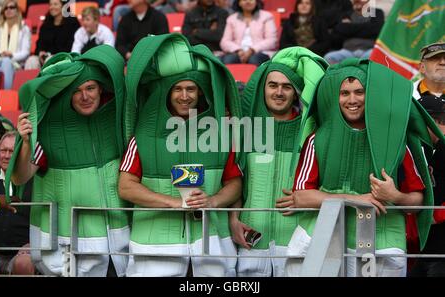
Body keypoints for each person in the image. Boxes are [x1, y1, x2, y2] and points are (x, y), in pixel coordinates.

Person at [288, 58, 441, 277]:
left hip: (383, 239)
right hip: (328, 239)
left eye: (359, 92)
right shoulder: (317, 140)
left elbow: (417, 202)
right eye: (345, 93)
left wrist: (395, 195)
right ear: (335, 97)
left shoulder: (395, 139)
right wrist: (356, 200)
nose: (352, 99)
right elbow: (301, 196)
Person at [119, 33, 243, 277]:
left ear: (200, 93)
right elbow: (125, 187)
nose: (184, 96)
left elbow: (235, 182)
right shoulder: (141, 137)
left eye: (191, 89)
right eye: (177, 89)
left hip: (211, 246)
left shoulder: (219, 135)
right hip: (156, 247)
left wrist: (213, 201)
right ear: (167, 92)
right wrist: (174, 203)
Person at [7, 45, 130, 277]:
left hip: (119, 246)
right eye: (77, 90)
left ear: (100, 89)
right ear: (66, 95)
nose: (85, 96)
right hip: (71, 252)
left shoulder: (118, 122)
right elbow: (20, 176)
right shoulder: (47, 131)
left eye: (91, 88)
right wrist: (25, 142)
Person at [228, 46, 328, 276]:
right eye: (273, 85)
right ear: (263, 89)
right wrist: (233, 219)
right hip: (251, 237)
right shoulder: (246, 130)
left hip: (295, 238)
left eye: (286, 87)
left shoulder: (310, 131)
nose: (279, 92)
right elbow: (235, 182)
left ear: (296, 92)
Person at [408, 42, 445, 277]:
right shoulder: (404, 96)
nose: (442, 62)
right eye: (436, 59)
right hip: (413, 211)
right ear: (422, 66)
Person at [0, 131, 35, 275]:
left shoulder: (34, 182)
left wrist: (33, 244)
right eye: (3, 150)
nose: (6, 156)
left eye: (11, 151)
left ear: (20, 153)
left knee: (24, 264)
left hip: (23, 251)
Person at [24, 0, 80, 70]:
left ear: (63, 6)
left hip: (64, 57)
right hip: (45, 57)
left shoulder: (72, 23)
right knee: (31, 60)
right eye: (50, 5)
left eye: (55, 4)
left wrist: (53, 55)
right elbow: (39, 43)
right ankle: (33, 81)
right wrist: (40, 52)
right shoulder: (46, 24)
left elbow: (72, 46)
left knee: (50, 60)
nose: (52, 7)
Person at [324, 0, 384, 64]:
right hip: (348, 51)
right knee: (329, 57)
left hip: (368, 50)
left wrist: (349, 28)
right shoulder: (347, 14)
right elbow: (337, 32)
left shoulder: (375, 12)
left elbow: (376, 30)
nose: (357, 1)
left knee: (373, 57)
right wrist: (367, 29)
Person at [220, 0, 277, 66]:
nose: (248, 2)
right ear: (239, 3)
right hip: (238, 52)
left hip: (260, 52)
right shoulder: (232, 19)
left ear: (256, 1)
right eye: (244, 0)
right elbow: (225, 41)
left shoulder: (267, 16)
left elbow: (272, 40)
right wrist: (238, 50)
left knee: (254, 60)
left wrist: (252, 50)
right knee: (228, 60)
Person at [0, 0, 31, 89]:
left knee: (6, 61)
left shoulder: (24, 29)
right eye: (6, 8)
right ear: (3, 12)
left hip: (16, 63)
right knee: (4, 61)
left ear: (17, 10)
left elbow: (25, 52)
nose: (8, 10)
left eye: (11, 7)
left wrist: (11, 55)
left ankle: (7, 95)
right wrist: (1, 54)